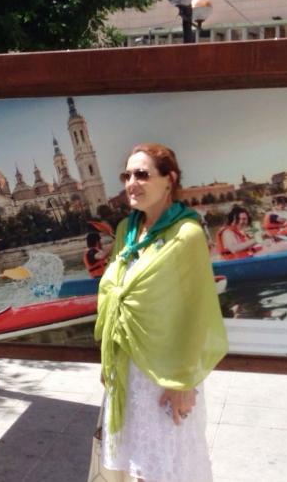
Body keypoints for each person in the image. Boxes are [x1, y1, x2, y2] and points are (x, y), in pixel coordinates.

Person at [94, 143, 227, 481]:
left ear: (170, 179)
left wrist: (183, 383)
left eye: (142, 174)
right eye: (127, 175)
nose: (131, 183)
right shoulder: (126, 230)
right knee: (128, 464)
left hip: (166, 371)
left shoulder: (187, 235)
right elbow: (115, 289)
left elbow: (195, 313)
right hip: (127, 367)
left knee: (163, 465)